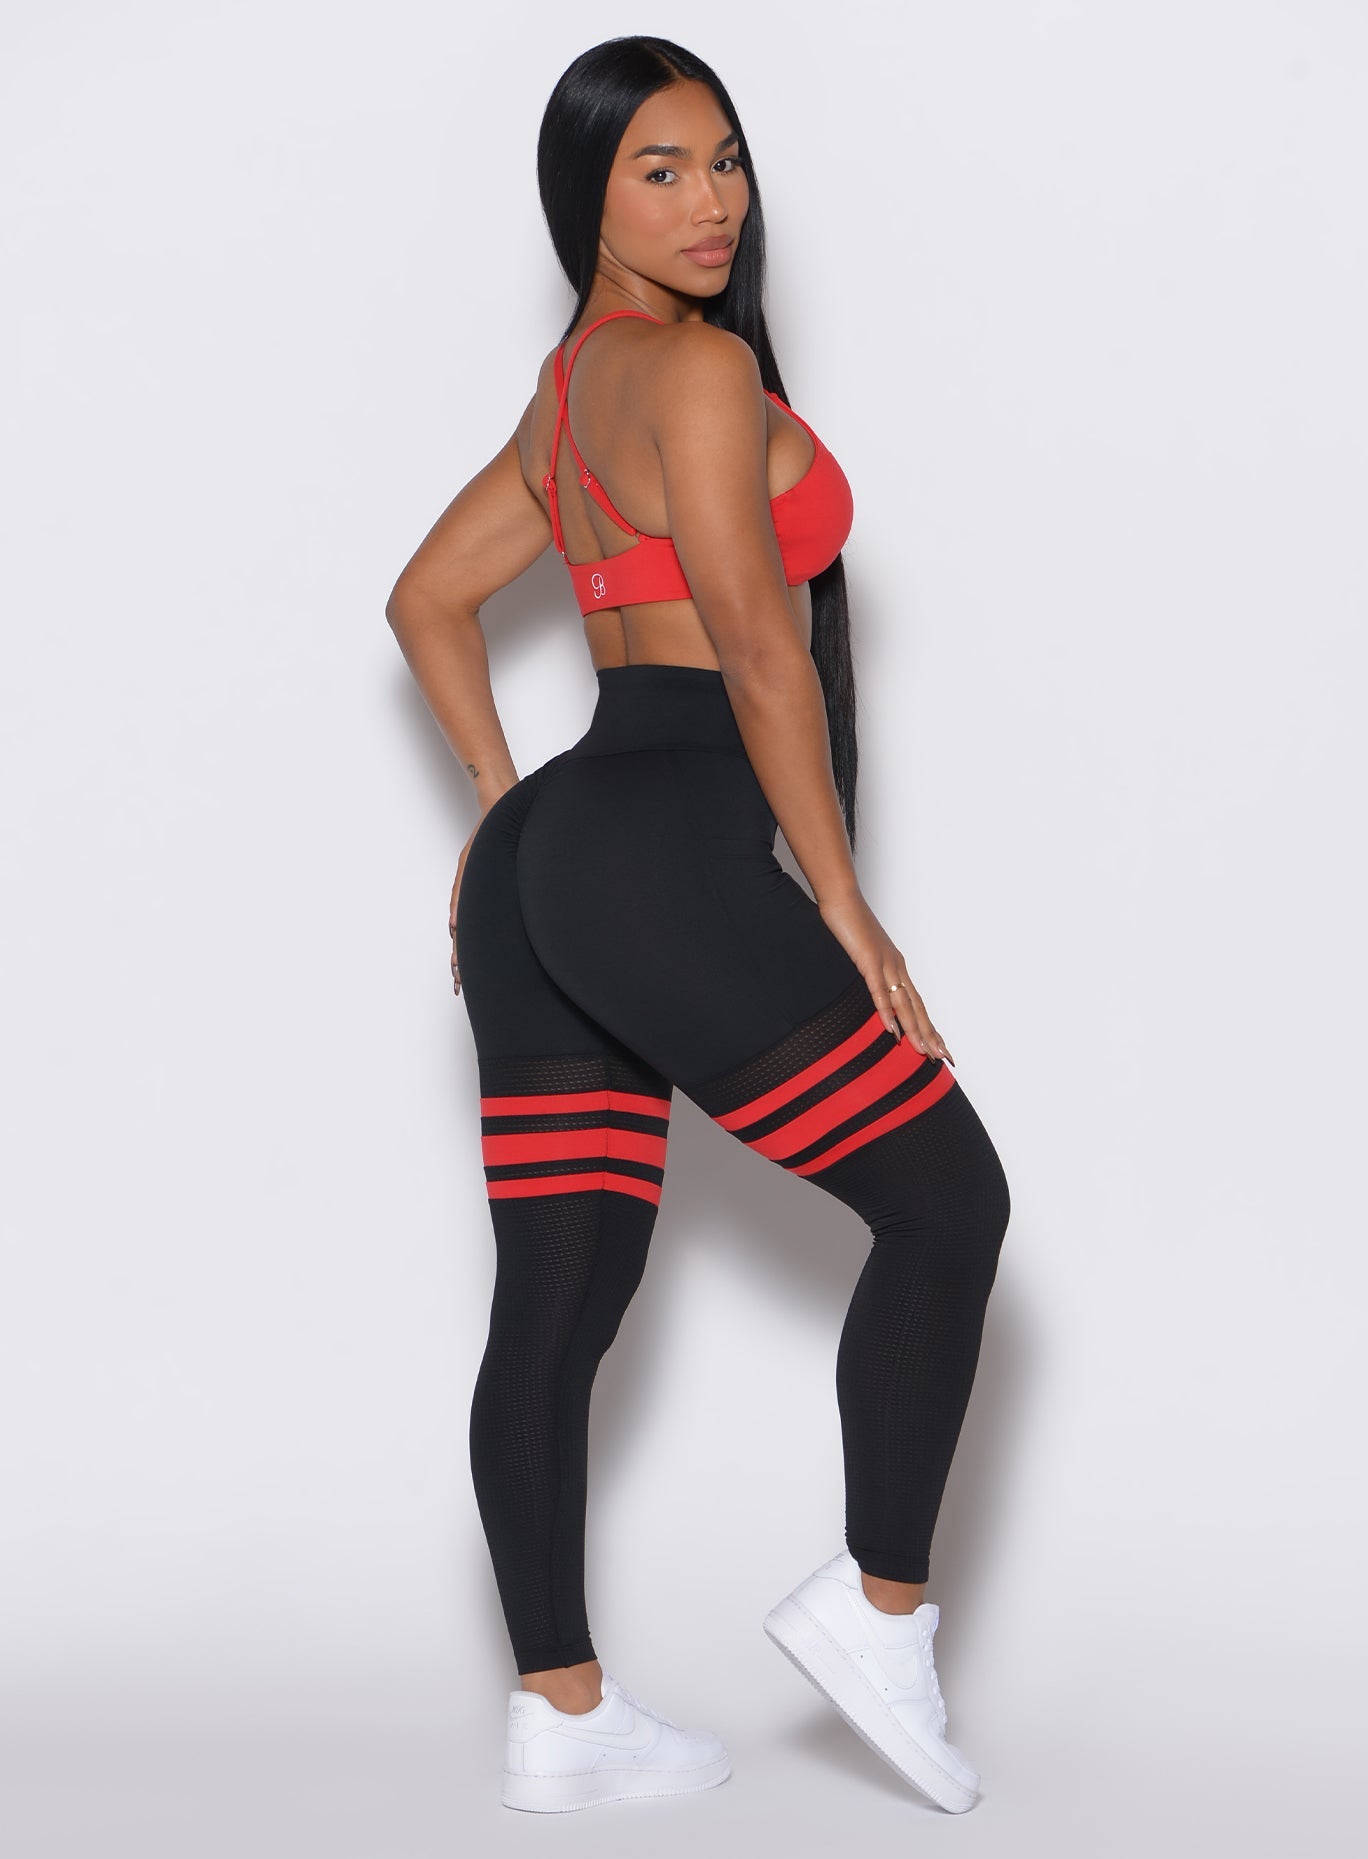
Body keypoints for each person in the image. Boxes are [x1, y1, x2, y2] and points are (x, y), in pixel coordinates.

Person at [385, 35, 1011, 1818]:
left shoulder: (567, 395)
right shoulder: (698, 369)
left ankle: (563, 1717)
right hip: (664, 845)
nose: (711, 199)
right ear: (585, 194)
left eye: (723, 158)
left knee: (558, 1295)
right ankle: (879, 1614)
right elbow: (755, 644)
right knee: (949, 1202)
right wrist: (845, 901)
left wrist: (503, 813)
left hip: (562, 856)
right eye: (659, 168)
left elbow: (426, 601)